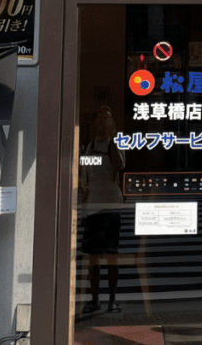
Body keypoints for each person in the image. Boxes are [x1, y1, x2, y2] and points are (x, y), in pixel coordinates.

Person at [78, 105, 125, 314]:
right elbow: (85, 178)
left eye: (106, 119)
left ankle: (112, 299)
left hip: (110, 208)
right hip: (92, 209)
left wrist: (112, 140)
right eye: (99, 119)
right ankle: (94, 299)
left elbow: (119, 166)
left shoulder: (116, 144)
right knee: (93, 258)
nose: (102, 123)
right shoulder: (89, 147)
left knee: (111, 256)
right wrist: (82, 207)